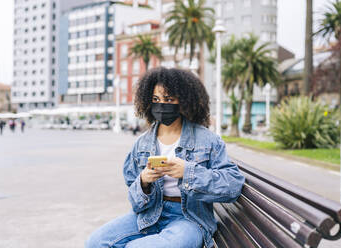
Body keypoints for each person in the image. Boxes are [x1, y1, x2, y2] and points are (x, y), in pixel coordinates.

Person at [85, 67, 245, 248]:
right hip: (150, 214)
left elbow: (233, 185)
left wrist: (188, 172)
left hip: (189, 219)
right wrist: (144, 182)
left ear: (184, 101)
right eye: (156, 100)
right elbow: (135, 200)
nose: (161, 105)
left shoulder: (207, 140)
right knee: (96, 243)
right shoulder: (142, 144)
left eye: (168, 99)